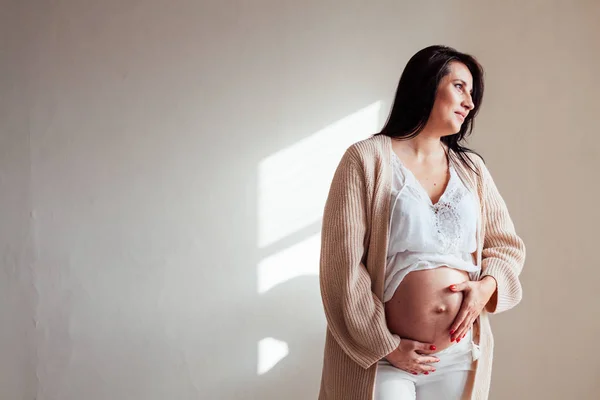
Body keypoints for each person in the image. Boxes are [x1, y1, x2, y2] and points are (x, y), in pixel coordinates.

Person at [317, 45, 526, 400]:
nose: (470, 103)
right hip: (383, 357)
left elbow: (506, 245)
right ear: (427, 85)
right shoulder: (366, 159)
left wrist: (485, 288)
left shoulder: (471, 169)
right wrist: (384, 346)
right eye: (459, 86)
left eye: (472, 93)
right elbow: (342, 267)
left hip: (459, 356)